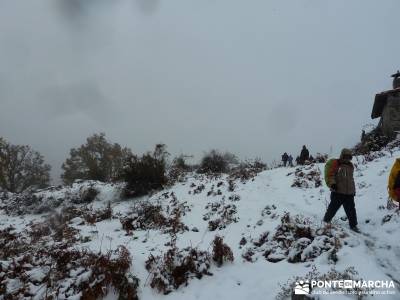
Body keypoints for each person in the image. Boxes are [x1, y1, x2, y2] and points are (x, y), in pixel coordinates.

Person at [323, 148, 360, 232]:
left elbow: (351, 179)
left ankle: (353, 225)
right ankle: (326, 221)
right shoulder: (336, 164)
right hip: (338, 192)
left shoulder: (350, 166)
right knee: (332, 208)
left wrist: (353, 190)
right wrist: (332, 184)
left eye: (349, 157)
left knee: (351, 210)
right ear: (342, 156)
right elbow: (330, 175)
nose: (347, 158)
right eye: (345, 156)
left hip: (349, 193)